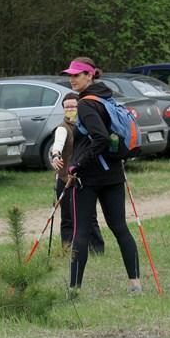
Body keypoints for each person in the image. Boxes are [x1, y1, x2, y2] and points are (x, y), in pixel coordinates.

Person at [61, 57, 142, 293]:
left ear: (90, 75)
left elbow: (101, 138)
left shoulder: (85, 104)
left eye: (77, 75)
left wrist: (77, 166)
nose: (72, 79)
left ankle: (74, 288)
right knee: (120, 228)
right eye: (71, 75)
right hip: (114, 174)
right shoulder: (107, 97)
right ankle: (135, 284)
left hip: (89, 177)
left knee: (81, 232)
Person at [49, 92, 104, 254]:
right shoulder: (62, 128)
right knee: (67, 218)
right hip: (65, 179)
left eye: (73, 106)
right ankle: (68, 250)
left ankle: (97, 250)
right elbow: (57, 145)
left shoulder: (88, 125)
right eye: (67, 107)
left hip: (85, 179)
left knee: (89, 217)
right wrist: (55, 156)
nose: (70, 109)